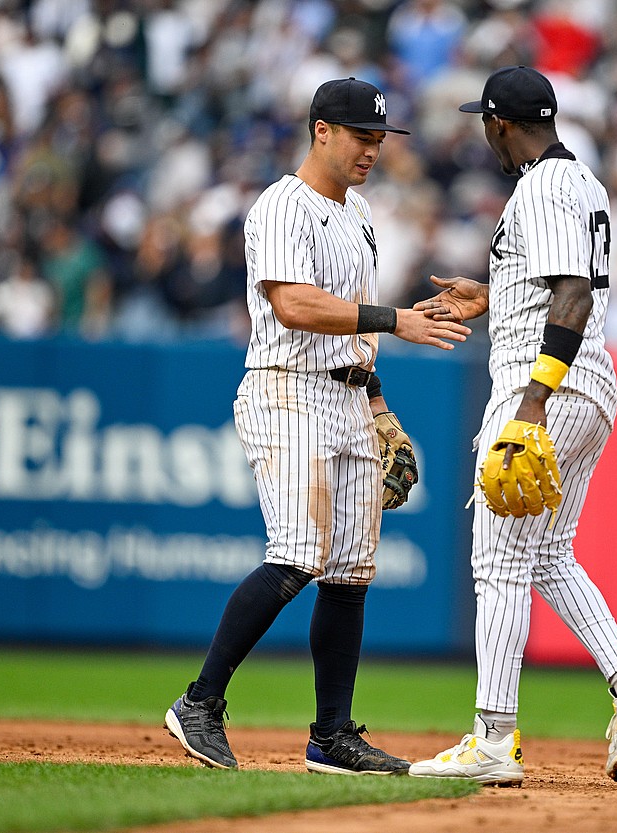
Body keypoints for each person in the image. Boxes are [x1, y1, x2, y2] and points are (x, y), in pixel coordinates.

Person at [164, 77, 471, 775]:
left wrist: (381, 407)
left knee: (351, 571)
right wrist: (397, 319)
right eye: (362, 135)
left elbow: (350, 325)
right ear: (322, 130)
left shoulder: (360, 213)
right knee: (298, 551)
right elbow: (296, 305)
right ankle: (200, 702)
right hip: (287, 388)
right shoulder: (280, 205)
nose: (373, 149)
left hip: (349, 397)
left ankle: (331, 736)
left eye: (380, 138)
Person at [407, 66, 617, 786]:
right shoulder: (581, 181)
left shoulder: (545, 184)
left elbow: (574, 292)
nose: (484, 135)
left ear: (499, 123)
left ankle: (492, 738)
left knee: (497, 564)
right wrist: (493, 295)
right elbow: (556, 279)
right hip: (586, 387)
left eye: (484, 123)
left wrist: (531, 402)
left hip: (542, 385)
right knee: (548, 553)